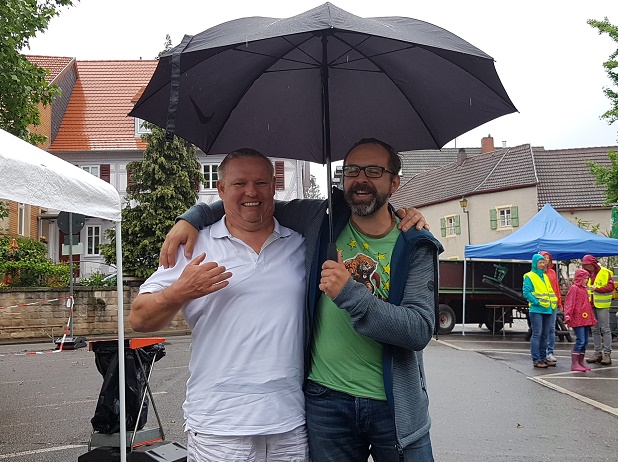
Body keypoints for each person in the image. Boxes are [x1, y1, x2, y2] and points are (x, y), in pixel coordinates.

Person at [162, 138, 443, 462]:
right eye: (352, 170)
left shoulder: (415, 243)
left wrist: (350, 293)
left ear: (395, 183)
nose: (361, 179)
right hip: (326, 402)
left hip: (396, 407)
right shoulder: (320, 219)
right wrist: (192, 217)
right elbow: (253, 202)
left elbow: (418, 330)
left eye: (374, 171)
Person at [130, 149, 310, 461]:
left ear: (274, 187)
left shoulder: (301, 244)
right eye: (239, 183)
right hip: (219, 424)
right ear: (221, 189)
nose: (251, 192)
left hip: (289, 422)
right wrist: (180, 291)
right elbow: (139, 319)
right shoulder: (194, 246)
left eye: (261, 183)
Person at [523, 253, 557, 368]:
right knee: (537, 334)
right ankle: (536, 359)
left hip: (548, 309)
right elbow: (526, 292)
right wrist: (536, 302)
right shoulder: (529, 276)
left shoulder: (545, 276)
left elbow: (549, 291)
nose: (542, 264)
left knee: (545, 335)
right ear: (535, 263)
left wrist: (553, 304)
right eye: (540, 262)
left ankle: (543, 358)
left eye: (543, 262)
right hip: (536, 309)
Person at [582, 254, 614, 365]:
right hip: (591, 304)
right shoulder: (587, 274)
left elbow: (611, 287)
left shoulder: (605, 272)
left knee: (605, 329)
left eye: (589, 266)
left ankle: (607, 354)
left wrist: (598, 289)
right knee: (594, 329)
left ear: (594, 264)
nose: (588, 268)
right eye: (586, 266)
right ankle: (597, 353)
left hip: (602, 304)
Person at [563, 269, 597, 372]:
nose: (586, 280)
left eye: (587, 278)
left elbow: (587, 305)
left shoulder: (584, 289)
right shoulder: (574, 288)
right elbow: (570, 302)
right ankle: (575, 363)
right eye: (584, 278)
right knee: (581, 340)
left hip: (585, 318)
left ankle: (580, 362)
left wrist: (592, 318)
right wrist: (567, 315)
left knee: (585, 341)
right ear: (579, 278)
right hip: (577, 319)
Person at [539, 251, 563, 365]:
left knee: (551, 328)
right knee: (541, 329)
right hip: (541, 304)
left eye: (548, 257)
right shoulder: (537, 273)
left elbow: (556, 288)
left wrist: (559, 303)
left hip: (552, 304)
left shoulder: (552, 272)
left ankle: (550, 352)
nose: (546, 259)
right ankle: (541, 352)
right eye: (544, 257)